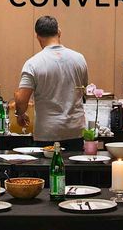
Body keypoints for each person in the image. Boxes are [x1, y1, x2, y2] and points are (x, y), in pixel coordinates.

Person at [14, 15, 88, 144]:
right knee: (74, 158)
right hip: (75, 131)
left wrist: (20, 114)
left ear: (37, 36)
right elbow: (83, 90)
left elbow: (21, 101)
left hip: (47, 133)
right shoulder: (79, 59)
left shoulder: (33, 64)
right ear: (59, 32)